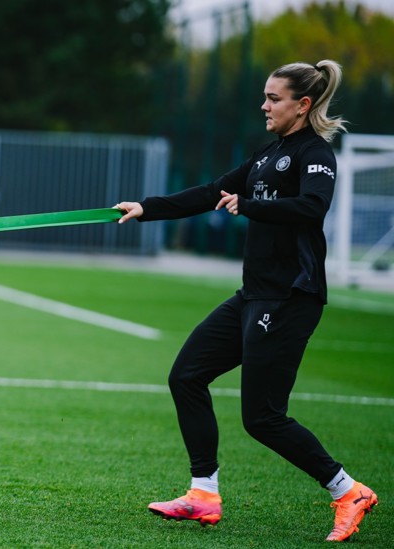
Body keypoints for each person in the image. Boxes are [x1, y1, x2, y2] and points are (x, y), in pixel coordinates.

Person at [114, 60, 377, 542]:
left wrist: (250, 206)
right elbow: (213, 192)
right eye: (264, 96)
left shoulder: (315, 154)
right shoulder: (267, 153)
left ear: (302, 105)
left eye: (274, 98)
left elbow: (313, 206)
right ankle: (203, 495)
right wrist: (147, 207)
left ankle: (348, 491)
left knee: (262, 417)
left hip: (291, 297)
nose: (264, 105)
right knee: (187, 375)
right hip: (254, 296)